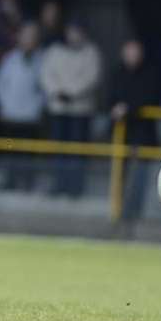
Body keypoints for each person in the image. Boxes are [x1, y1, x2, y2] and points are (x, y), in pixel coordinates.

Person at [40, 20, 101, 198]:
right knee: (59, 149)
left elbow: (92, 77)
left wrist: (71, 93)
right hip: (58, 108)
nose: (74, 35)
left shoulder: (91, 52)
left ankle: (75, 187)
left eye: (77, 31)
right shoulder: (54, 51)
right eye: (71, 31)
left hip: (80, 110)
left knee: (77, 151)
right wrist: (56, 92)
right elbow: (46, 74)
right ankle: (58, 184)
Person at [109, 39, 160, 226]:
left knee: (140, 177)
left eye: (135, 52)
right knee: (119, 175)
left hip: (143, 136)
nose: (132, 56)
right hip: (122, 135)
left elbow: (149, 98)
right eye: (129, 52)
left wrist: (128, 108)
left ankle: (134, 214)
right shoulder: (117, 73)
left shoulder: (150, 74)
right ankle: (118, 212)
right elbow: (110, 98)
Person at [0, 22, 45, 191]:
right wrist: (5, 104)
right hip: (10, 115)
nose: (28, 40)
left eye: (32, 36)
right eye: (25, 35)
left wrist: (37, 107)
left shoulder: (41, 60)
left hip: (30, 117)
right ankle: (11, 180)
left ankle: (27, 182)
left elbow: (44, 88)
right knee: (10, 150)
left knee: (28, 152)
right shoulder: (10, 59)